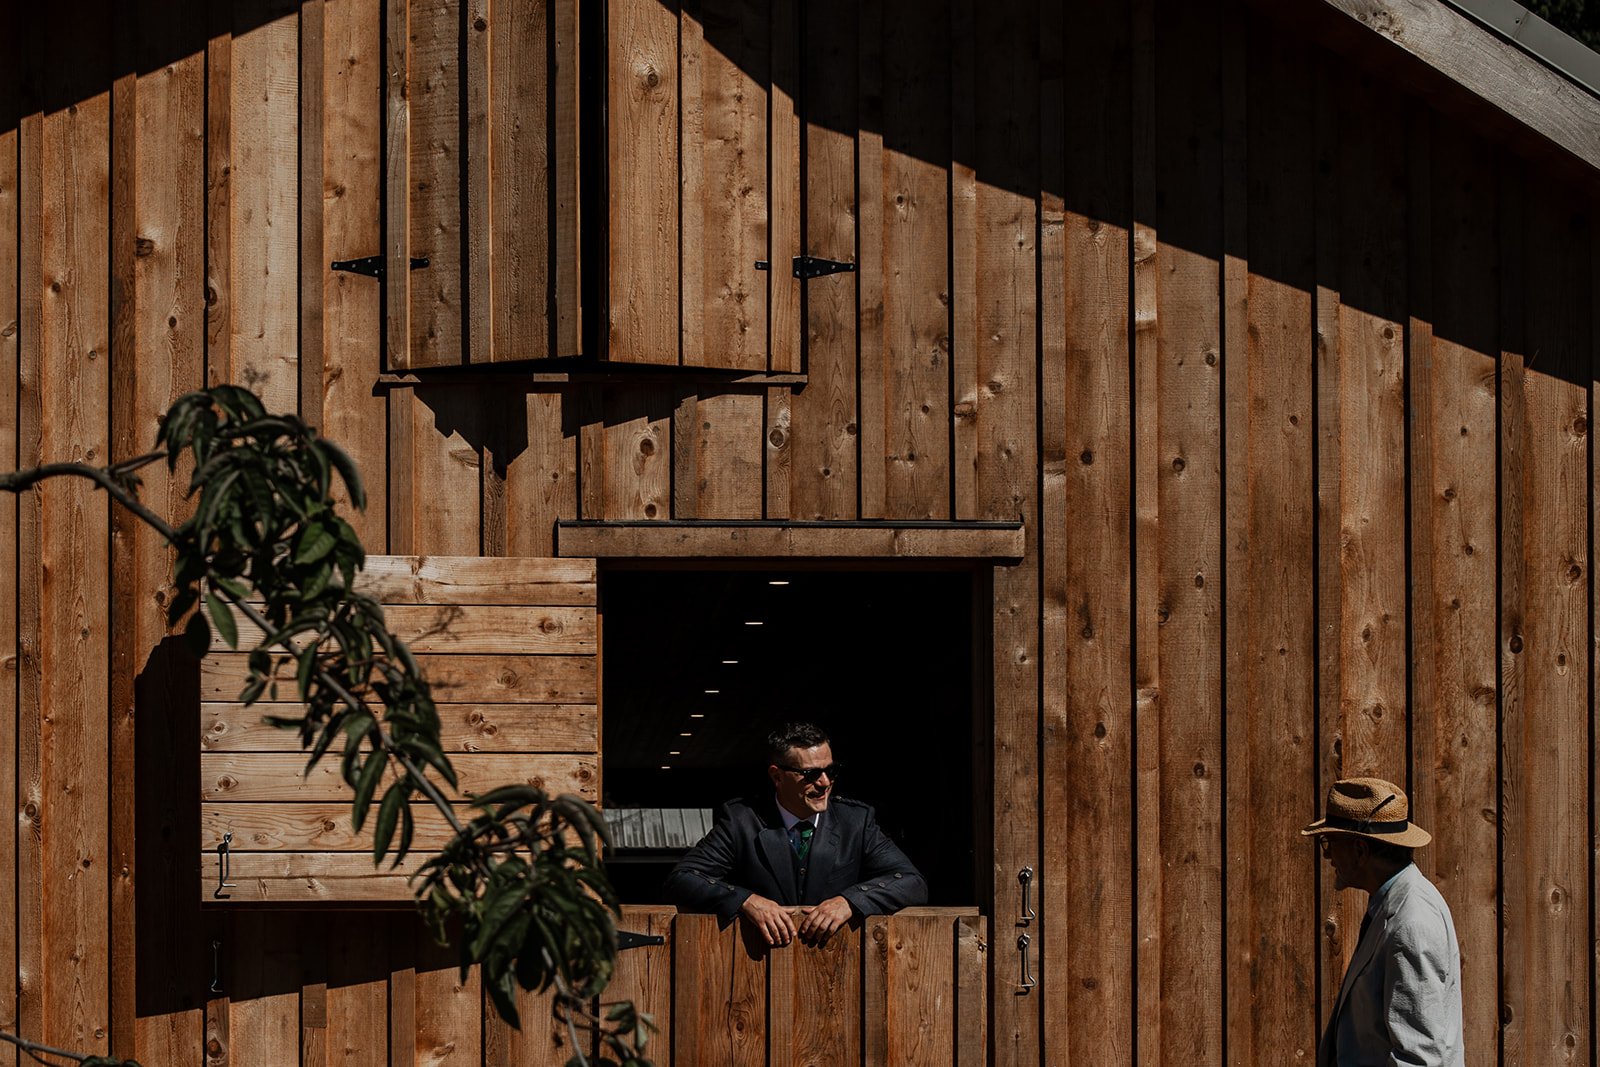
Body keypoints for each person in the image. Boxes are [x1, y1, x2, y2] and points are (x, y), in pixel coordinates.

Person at [664, 722, 927, 946]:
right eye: (811, 774)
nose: (824, 782)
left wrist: (850, 901)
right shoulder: (740, 821)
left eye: (831, 770)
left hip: (840, 972)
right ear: (777, 777)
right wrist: (746, 900)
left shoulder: (856, 822)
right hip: (754, 973)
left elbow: (911, 882)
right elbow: (682, 879)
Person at [1301, 777, 1464, 1067]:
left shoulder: (1412, 922)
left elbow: (1419, 1059)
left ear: (1360, 851)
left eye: (1330, 843)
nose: (1327, 856)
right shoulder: (1393, 904)